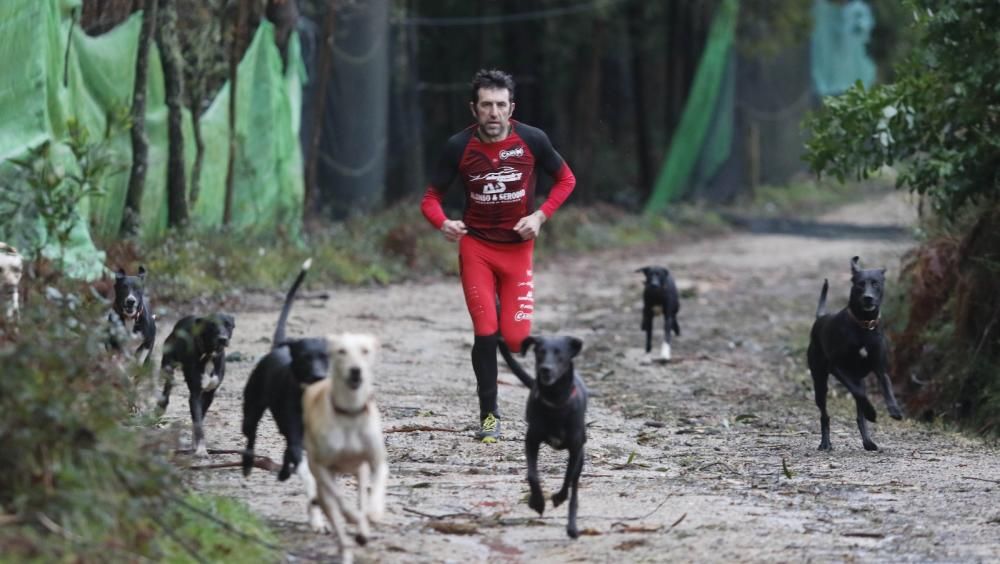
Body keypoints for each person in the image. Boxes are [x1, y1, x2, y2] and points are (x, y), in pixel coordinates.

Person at [420, 68, 576, 443]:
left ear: (511, 108)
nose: (494, 112)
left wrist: (540, 216)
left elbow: (567, 180)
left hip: (518, 251)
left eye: (500, 105)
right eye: (486, 105)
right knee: (486, 333)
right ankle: (489, 416)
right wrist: (443, 223)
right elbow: (430, 199)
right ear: (474, 109)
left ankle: (554, 394)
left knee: (519, 340)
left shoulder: (533, 140)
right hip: (477, 248)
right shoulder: (458, 146)